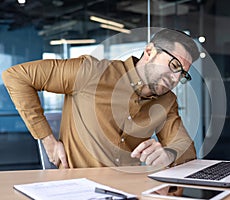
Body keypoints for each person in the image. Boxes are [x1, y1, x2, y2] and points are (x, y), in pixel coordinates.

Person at [2, 28, 199, 169]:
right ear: (149, 52)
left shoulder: (167, 101)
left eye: (182, 75)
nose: (175, 78)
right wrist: (47, 141)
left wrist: (169, 154)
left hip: (131, 189)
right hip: (78, 188)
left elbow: (186, 149)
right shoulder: (92, 72)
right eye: (174, 66)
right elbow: (16, 76)